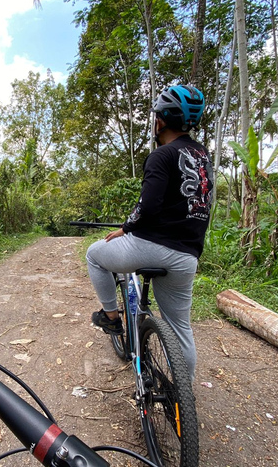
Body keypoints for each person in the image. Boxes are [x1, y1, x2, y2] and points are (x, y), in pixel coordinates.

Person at [86, 84, 213, 380]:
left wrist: (126, 227)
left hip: (152, 245)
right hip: (188, 255)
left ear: (161, 120)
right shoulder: (202, 156)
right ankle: (183, 398)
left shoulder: (162, 155)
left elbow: (148, 206)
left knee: (94, 255)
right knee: (180, 326)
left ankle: (111, 317)